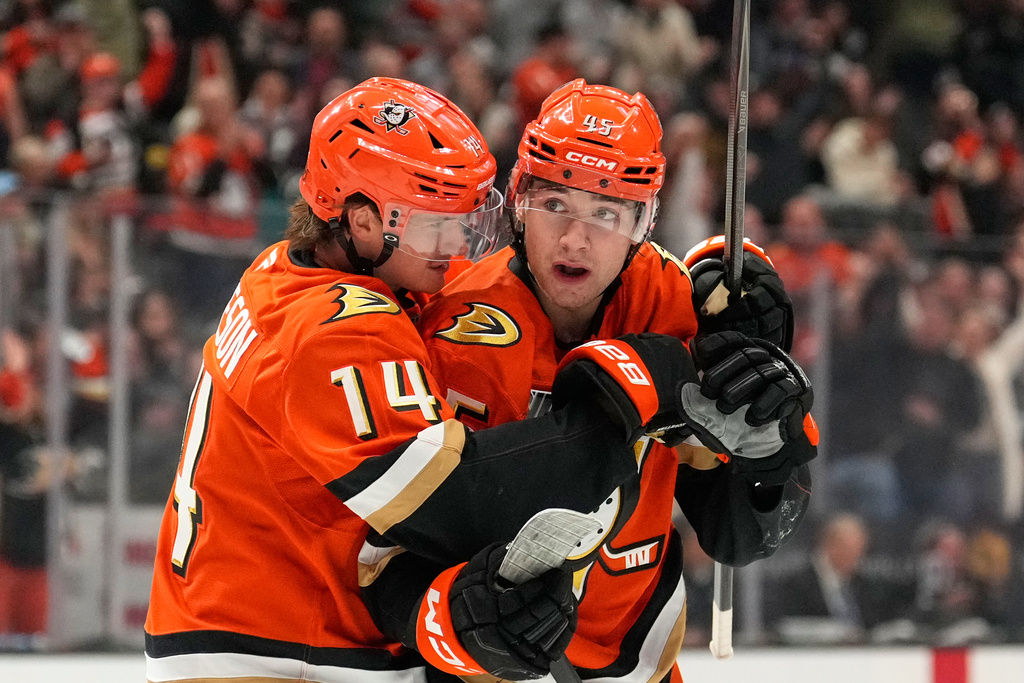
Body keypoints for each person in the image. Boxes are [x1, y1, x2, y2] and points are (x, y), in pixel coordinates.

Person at [144, 77, 760, 683]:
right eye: (429, 220)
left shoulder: (285, 272)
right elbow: (453, 499)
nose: (454, 242)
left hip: (248, 634)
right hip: (280, 651)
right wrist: (630, 395)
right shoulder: (337, 330)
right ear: (361, 222)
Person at [401, 79, 818, 682]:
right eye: (555, 205)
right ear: (518, 199)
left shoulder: (681, 309)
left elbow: (742, 535)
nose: (576, 239)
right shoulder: (444, 317)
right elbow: (392, 528)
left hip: (632, 661)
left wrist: (765, 425)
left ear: (642, 222)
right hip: (482, 659)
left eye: (606, 212)